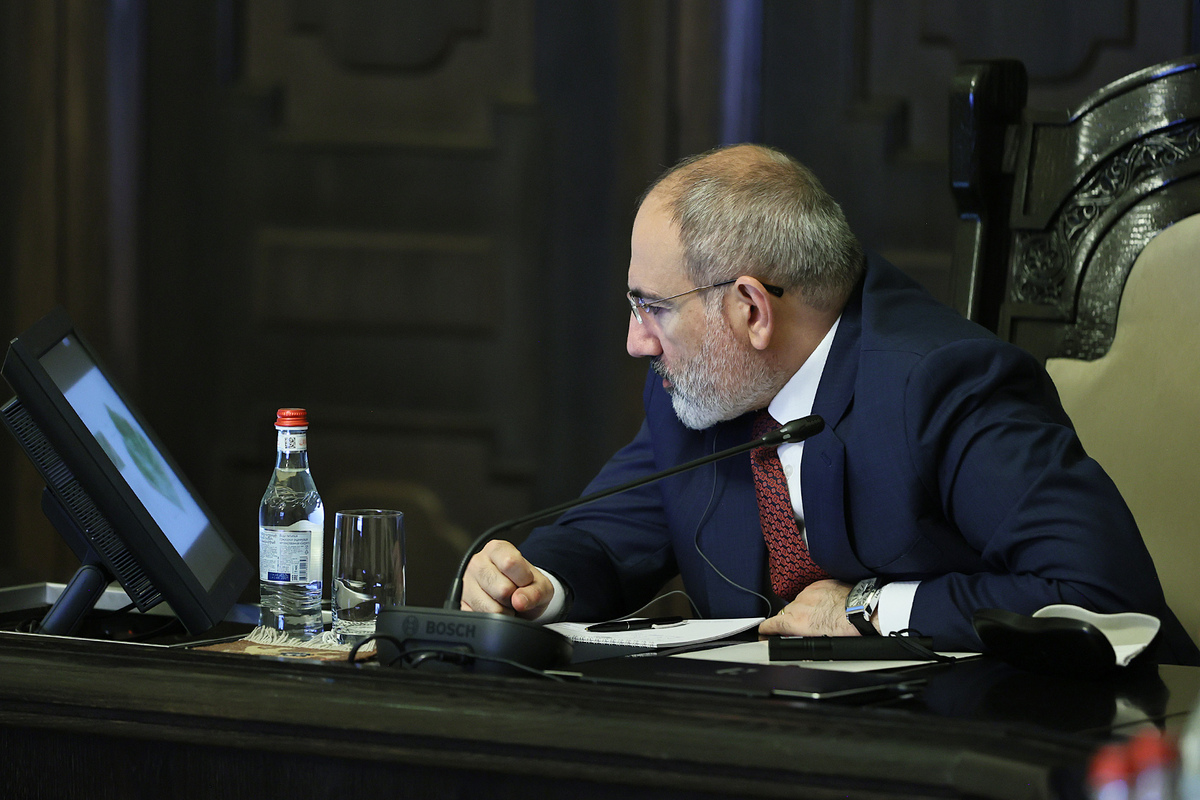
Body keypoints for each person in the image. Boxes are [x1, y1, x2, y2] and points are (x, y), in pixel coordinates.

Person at [461, 143, 1199, 662]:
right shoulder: (705, 387)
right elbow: (604, 538)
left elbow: (1100, 595)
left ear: (751, 309)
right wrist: (533, 585)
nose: (636, 342)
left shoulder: (943, 384)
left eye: (652, 307)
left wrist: (868, 608)